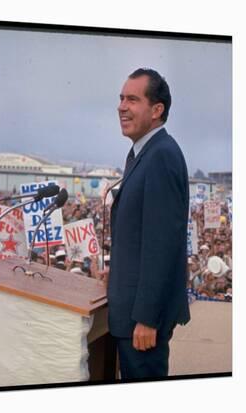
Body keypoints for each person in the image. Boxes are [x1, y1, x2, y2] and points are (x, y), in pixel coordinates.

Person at [106, 68, 190, 379]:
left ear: (157, 110)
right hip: (131, 310)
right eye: (120, 98)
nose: (121, 106)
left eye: (132, 99)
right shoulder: (140, 154)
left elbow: (161, 246)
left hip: (141, 322)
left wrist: (147, 318)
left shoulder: (161, 156)